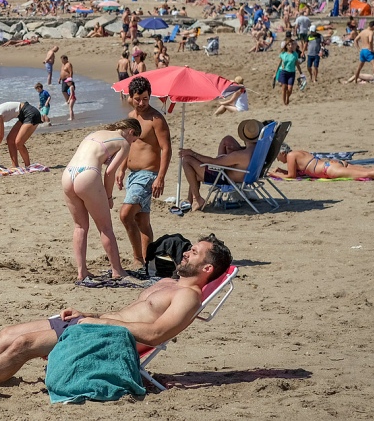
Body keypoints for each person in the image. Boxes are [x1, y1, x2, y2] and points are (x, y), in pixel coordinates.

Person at [0, 235, 232, 400]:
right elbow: (130, 313)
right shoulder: (168, 282)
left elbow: (157, 334)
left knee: (24, 345)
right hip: (96, 324)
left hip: (110, 337)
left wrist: (99, 322)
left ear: (206, 269)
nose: (186, 250)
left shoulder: (188, 296)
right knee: (8, 332)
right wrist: (90, 313)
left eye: (195, 252)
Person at [61, 119, 141, 284]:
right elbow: (110, 173)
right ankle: (117, 270)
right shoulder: (123, 144)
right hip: (87, 175)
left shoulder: (95, 133)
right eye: (133, 140)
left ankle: (81, 271)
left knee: (80, 226)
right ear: (131, 132)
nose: (131, 143)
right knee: (105, 228)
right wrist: (108, 196)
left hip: (68, 173)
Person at [121, 77, 171, 270]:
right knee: (142, 220)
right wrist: (121, 168)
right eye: (138, 99)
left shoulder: (156, 119)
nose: (142, 103)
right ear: (131, 97)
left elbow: (166, 149)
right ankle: (147, 260)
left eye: (145, 99)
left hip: (148, 175)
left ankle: (137, 259)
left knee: (126, 215)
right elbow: (128, 145)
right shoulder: (131, 117)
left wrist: (160, 177)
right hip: (133, 175)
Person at [179, 120, 262, 210]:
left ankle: (197, 199)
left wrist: (192, 153)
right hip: (241, 172)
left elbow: (213, 162)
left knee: (187, 161)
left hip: (223, 176)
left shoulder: (240, 155)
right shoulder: (257, 149)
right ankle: (190, 199)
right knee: (228, 139)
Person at [272, 145, 374, 181]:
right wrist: (282, 171)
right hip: (332, 163)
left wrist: (274, 173)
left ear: (282, 152)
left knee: (367, 173)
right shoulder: (298, 152)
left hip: (328, 170)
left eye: (278, 156)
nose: (278, 159)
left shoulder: (290, 156)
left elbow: (291, 176)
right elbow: (295, 172)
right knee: (369, 168)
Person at [0, 99, 43, 172]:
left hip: (30, 113)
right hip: (23, 115)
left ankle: (28, 166)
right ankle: (15, 166)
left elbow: (0, 135)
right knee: (10, 139)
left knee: (19, 143)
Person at [277, 40, 302, 105]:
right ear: (286, 46)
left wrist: (301, 72)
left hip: (292, 73)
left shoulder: (295, 54)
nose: (291, 46)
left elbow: (297, 64)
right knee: (284, 87)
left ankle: (287, 97)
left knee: (290, 89)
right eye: (289, 45)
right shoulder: (283, 54)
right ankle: (284, 103)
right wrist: (275, 73)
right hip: (284, 72)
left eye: (292, 45)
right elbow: (279, 64)